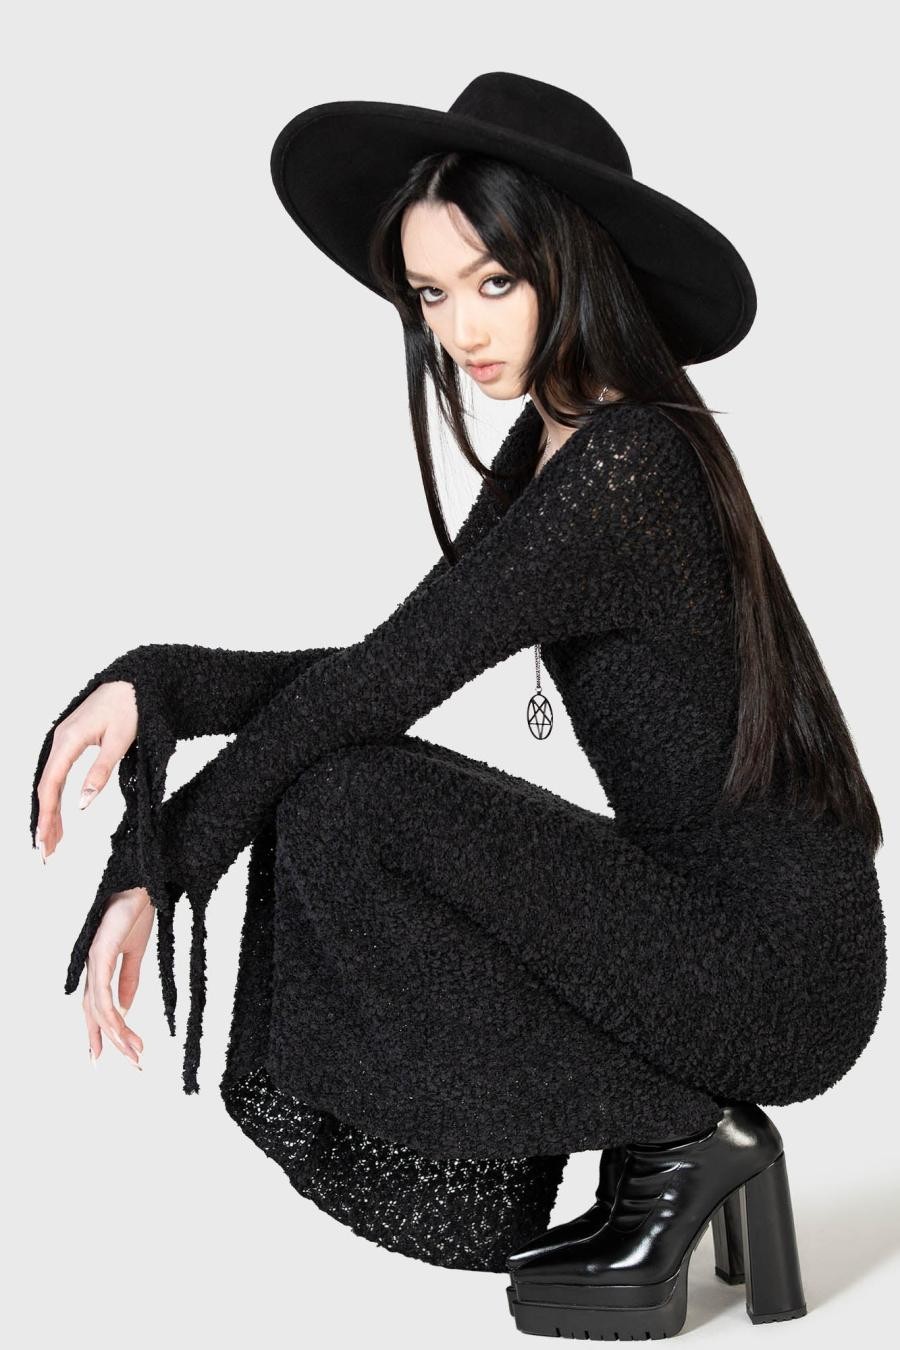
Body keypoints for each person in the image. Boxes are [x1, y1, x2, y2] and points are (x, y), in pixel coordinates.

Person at [30, 72, 886, 1339]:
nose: (460, 330)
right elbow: (394, 659)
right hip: (704, 922)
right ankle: (682, 1130)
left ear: (573, 265)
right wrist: (160, 683)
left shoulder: (627, 463)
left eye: (495, 282)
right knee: (345, 782)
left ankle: (680, 1131)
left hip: (774, 969)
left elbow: (384, 683)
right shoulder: (561, 440)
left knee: (351, 798)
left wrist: (164, 859)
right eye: (431, 294)